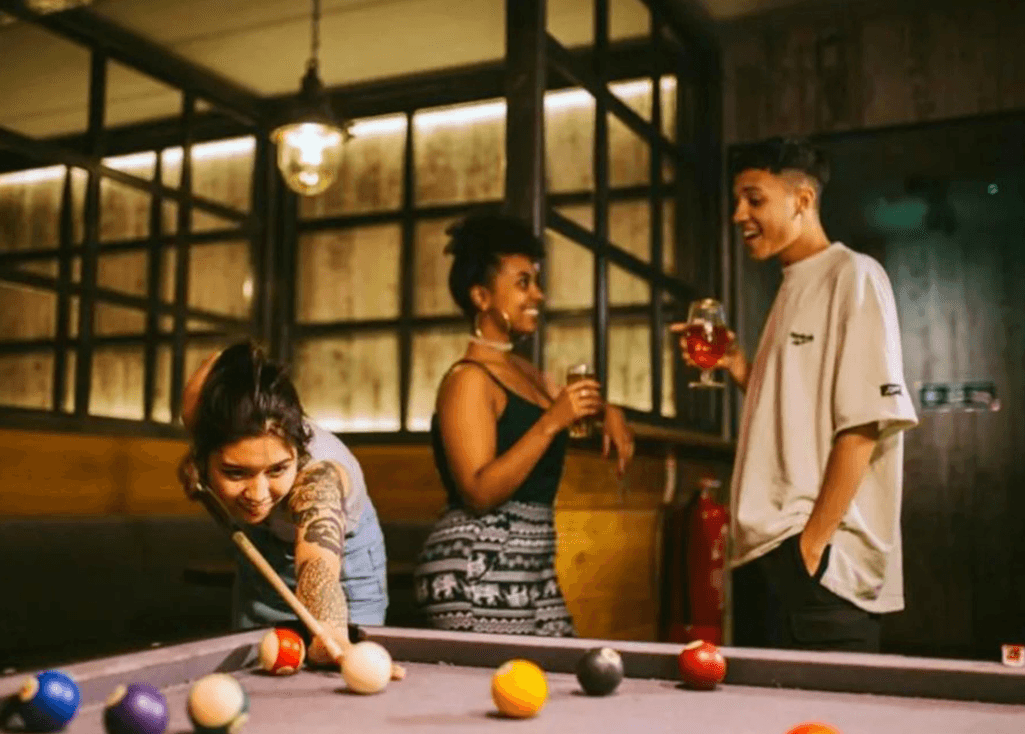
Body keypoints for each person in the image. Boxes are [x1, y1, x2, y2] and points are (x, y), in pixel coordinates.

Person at [674, 137, 918, 652]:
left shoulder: (854, 275)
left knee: (832, 731)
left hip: (822, 568)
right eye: (737, 201)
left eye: (754, 199)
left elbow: (863, 427)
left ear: (802, 201)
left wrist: (811, 548)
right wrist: (740, 367)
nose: (739, 214)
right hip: (769, 557)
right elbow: (794, 413)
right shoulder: (791, 284)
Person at [413, 213, 635, 636]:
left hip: (533, 565)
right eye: (523, 283)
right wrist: (552, 422)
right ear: (481, 296)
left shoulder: (526, 372)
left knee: (561, 685)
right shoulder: (467, 380)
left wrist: (610, 413)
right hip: (476, 566)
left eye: (535, 281)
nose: (539, 294)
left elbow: (572, 410)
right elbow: (478, 493)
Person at [177, 341, 388, 665]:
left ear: (296, 451)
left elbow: (318, 564)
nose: (258, 493)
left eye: (277, 469)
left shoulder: (319, 479)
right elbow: (217, 362)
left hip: (342, 570)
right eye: (236, 472)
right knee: (258, 671)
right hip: (261, 557)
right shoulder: (200, 414)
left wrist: (331, 636)